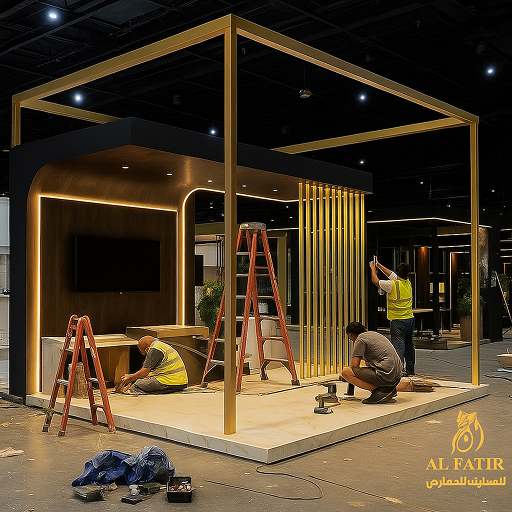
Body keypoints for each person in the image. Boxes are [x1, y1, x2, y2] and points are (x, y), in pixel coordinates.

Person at [370, 257, 415, 376]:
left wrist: (373, 268)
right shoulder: (407, 283)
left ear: (398, 272)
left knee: (398, 346)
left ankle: (399, 370)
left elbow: (376, 281)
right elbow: (391, 274)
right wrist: (379, 264)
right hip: (409, 319)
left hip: (398, 320)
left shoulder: (392, 285)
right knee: (409, 345)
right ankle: (410, 368)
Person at [341, 321, 403, 404]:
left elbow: (354, 365)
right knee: (363, 364)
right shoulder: (373, 334)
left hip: (386, 374)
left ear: (350, 334)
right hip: (397, 375)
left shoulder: (360, 339)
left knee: (346, 372)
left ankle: (382, 391)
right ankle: (389, 389)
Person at [119, 336, 188, 394]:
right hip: (181, 382)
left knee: (138, 385)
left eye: (144, 353)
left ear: (147, 348)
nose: (146, 355)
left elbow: (143, 373)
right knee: (142, 380)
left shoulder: (155, 349)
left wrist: (130, 377)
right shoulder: (162, 345)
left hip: (169, 382)